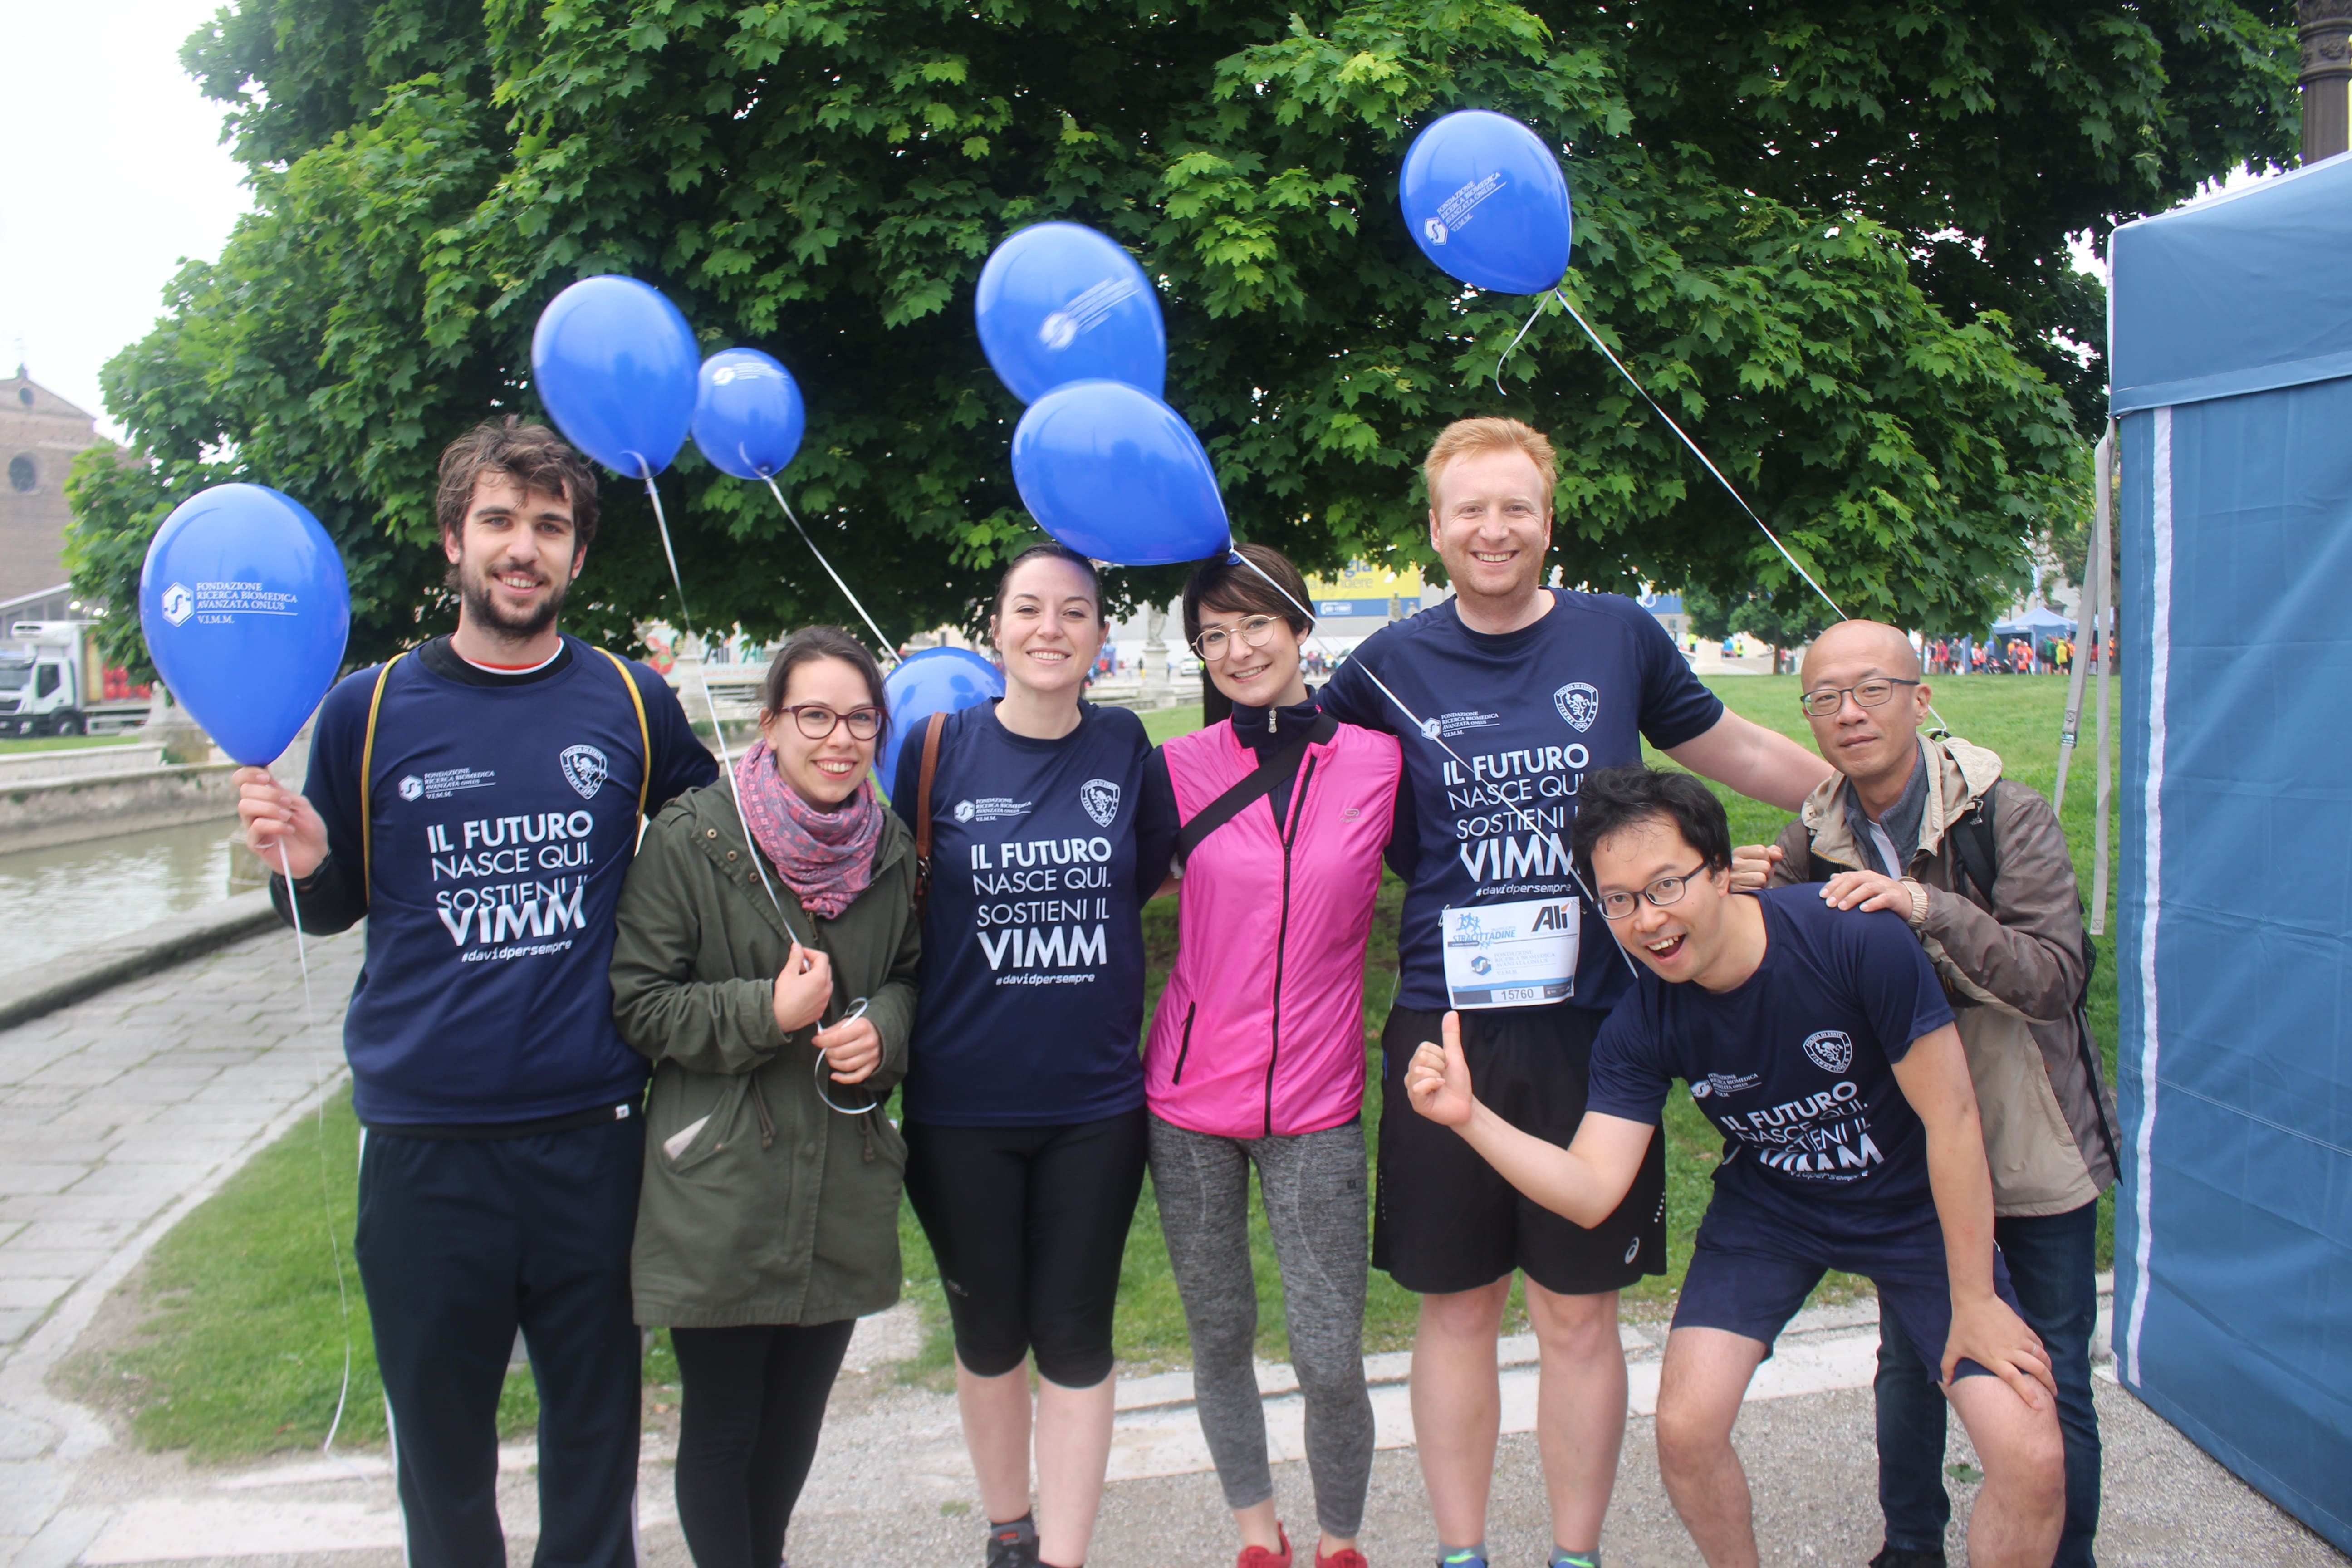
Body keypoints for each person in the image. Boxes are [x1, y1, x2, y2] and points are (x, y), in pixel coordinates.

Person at [1317, 416, 1831, 1568]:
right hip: (1448, 1028)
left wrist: (1877, 795)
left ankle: (1575, 1554)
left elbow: (1737, 750)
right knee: (1455, 1310)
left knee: (1575, 1313)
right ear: (1434, 530)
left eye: (1516, 507)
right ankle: (1462, 1553)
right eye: (1469, 510)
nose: (1493, 529)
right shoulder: (1386, 667)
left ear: (1551, 519)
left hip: (1605, 1029)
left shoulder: (1617, 637)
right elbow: (1299, 791)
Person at [235, 418, 717, 1566]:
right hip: (422, 1150)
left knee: (596, 1443)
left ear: (578, 558)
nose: (523, 548)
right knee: (443, 1461)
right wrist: (300, 867)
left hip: (593, 1141)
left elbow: (729, 848)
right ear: (455, 540)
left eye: (550, 527)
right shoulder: (368, 709)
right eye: (499, 521)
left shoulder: (632, 701)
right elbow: (333, 902)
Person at [1405, 767, 2067, 1568]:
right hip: (1773, 1213)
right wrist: (1470, 1119)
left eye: (1666, 885)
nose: (1647, 921)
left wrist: (1975, 1298)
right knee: (1685, 1429)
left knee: (2032, 1457)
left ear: (1722, 870)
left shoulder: (1853, 938)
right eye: (1619, 900)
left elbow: (1953, 1120)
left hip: (1912, 1210)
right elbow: (1589, 1191)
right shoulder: (1641, 1020)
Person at [1730, 618, 2118, 1568]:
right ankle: (1912, 1546)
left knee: (2051, 1369)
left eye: (1872, 689)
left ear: (1922, 696)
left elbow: (2056, 978)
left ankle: (2066, 1552)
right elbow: (1781, 981)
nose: (1849, 713)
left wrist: (1925, 906)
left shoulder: (2004, 815)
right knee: (1910, 1361)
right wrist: (1740, 902)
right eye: (1825, 697)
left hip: (2027, 1138)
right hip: (1915, 1148)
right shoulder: (1816, 836)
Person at [891, 543, 1181, 1568]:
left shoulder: (1125, 745)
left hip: (1095, 1107)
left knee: (1075, 1337)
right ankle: (1008, 1528)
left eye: (1074, 611)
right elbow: (887, 897)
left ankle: (1064, 1553)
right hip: (959, 1107)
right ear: (997, 628)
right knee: (989, 1339)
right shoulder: (933, 749)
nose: (1050, 628)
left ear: (1101, 635)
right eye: (1029, 609)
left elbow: (1140, 875)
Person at [610, 627, 921, 1568]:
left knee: (793, 1428)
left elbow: (907, 975)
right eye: (815, 715)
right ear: (770, 721)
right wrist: (766, 1009)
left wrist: (885, 1033)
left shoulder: (890, 845)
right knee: (725, 1427)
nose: (840, 739)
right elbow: (641, 1002)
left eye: (860, 717)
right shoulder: (693, 839)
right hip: (722, 1182)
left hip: (840, 1180)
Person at [1139, 544, 1402, 1568]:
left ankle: (1340, 1542)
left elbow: (1457, 876)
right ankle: (1259, 1537)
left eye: (1256, 624)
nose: (1237, 649)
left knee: (1331, 1356)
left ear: (1299, 628)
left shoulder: (1380, 764)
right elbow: (1106, 900)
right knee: (1219, 1338)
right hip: (1187, 1103)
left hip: (1319, 1105)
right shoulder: (1174, 770)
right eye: (1213, 634)